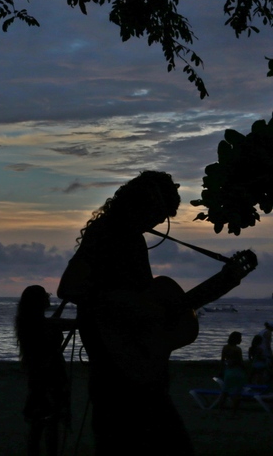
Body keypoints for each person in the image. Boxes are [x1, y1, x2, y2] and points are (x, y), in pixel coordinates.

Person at [57, 171, 246, 456]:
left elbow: (155, 309)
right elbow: (69, 286)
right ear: (141, 204)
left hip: (131, 372)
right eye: (159, 213)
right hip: (121, 376)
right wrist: (127, 306)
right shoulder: (110, 233)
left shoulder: (125, 236)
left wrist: (224, 281)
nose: (158, 222)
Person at [15, 285, 77, 456]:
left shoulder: (29, 321)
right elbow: (65, 324)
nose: (48, 298)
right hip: (49, 375)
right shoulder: (40, 323)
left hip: (39, 375)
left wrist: (64, 304)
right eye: (45, 296)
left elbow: (53, 322)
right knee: (50, 421)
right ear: (38, 301)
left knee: (39, 422)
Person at [216, 331, 247, 410]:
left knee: (225, 391)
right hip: (237, 372)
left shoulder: (225, 347)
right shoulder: (238, 349)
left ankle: (220, 407)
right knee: (237, 392)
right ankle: (235, 409)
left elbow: (222, 361)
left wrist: (221, 371)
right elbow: (240, 362)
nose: (241, 340)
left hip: (228, 371)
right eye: (240, 339)